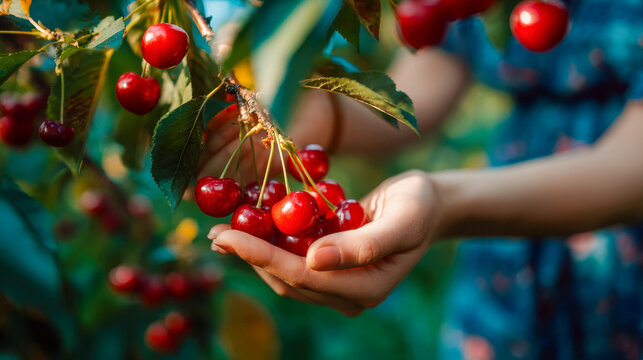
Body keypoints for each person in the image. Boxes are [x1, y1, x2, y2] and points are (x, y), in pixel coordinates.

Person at [202, 0, 642, 358]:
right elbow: (420, 92)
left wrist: (443, 202)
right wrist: (319, 116)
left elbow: (632, 167)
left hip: (617, 268)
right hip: (506, 276)